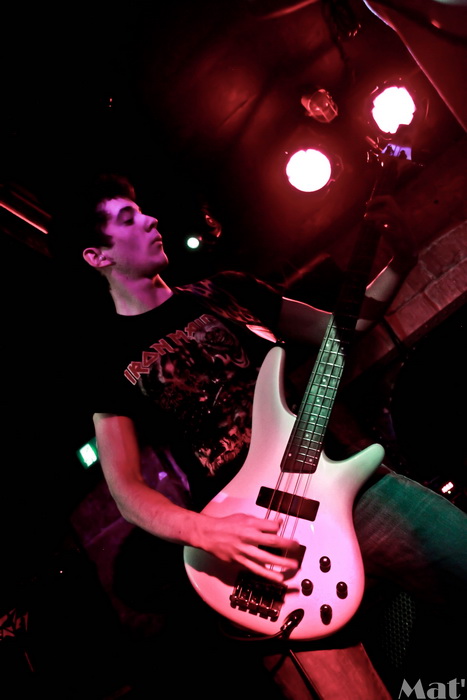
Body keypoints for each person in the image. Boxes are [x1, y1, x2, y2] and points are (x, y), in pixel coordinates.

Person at [48, 173, 467, 699]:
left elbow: (341, 328)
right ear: (97, 256)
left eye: (143, 209)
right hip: (260, 543)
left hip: (349, 485)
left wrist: (402, 260)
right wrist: (205, 533)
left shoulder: (226, 291)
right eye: (128, 218)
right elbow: (127, 490)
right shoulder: (106, 363)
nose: (151, 219)